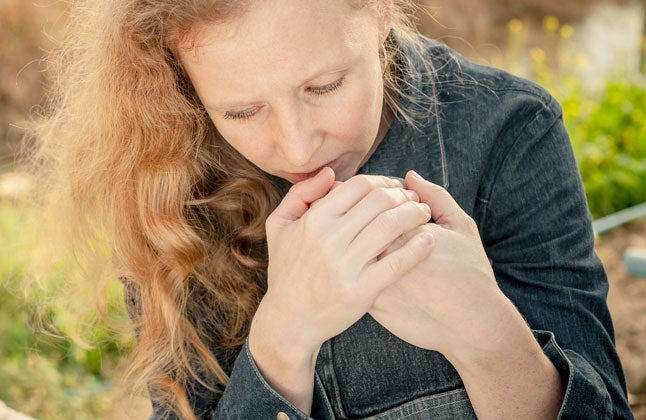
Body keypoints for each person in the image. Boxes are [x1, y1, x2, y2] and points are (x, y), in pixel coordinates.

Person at [33, 0, 633, 418]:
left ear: (380, 14)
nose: (296, 148)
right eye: (241, 112)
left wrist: (487, 334)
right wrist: (283, 338)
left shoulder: (510, 130)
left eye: (324, 87)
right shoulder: (168, 183)